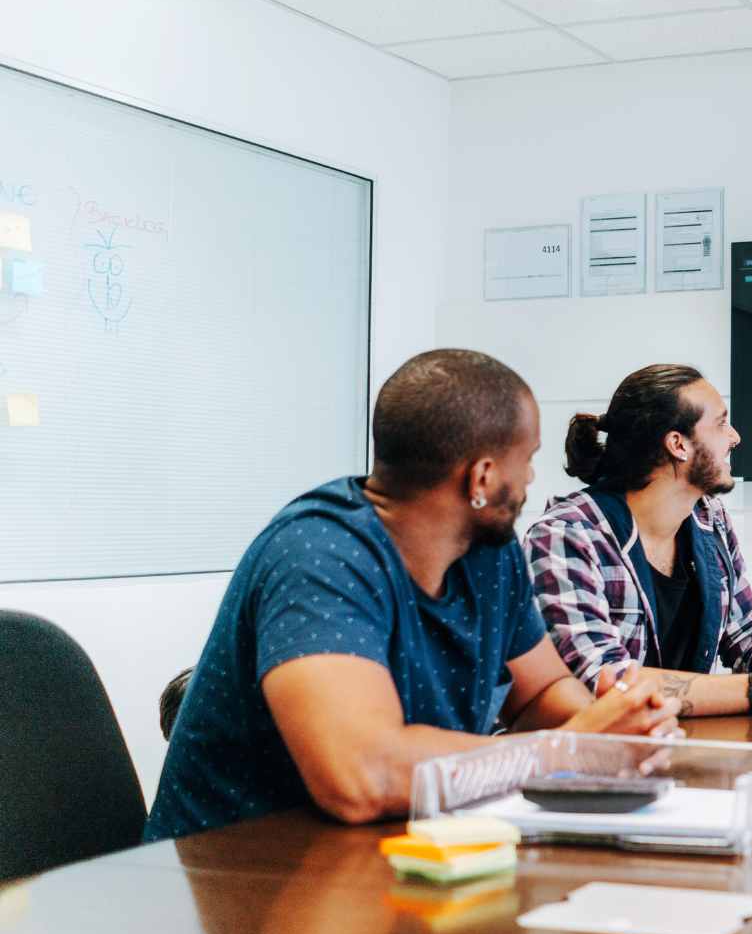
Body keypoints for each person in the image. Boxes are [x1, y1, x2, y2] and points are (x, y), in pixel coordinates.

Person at [145, 350, 681, 841]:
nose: (532, 477)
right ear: (483, 476)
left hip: (382, 863)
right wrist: (570, 748)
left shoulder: (488, 553)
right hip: (234, 883)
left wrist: (611, 723)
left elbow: (540, 694)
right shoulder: (319, 556)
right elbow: (362, 777)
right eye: (528, 458)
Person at [526, 363, 752, 716]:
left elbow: (750, 637)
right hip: (600, 764)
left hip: (680, 749)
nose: (735, 437)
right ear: (677, 444)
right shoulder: (567, 536)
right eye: (721, 424)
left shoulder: (708, 518)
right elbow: (606, 681)